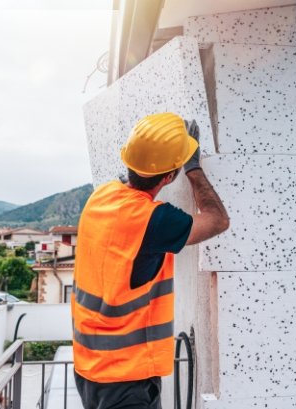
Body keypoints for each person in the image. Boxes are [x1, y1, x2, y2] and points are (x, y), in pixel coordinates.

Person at [72, 112, 229, 409]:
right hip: (125, 379)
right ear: (170, 176)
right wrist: (193, 168)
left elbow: (131, 182)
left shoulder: (101, 197)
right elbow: (217, 220)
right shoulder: (154, 220)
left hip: (88, 367)